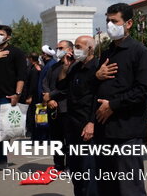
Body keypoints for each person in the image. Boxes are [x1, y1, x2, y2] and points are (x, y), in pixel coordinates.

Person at [94, 3, 147, 196]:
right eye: (107, 21)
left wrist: (113, 105)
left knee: (130, 188)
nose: (110, 25)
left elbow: (143, 90)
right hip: (104, 131)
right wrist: (97, 75)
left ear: (128, 23)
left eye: (114, 21)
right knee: (107, 186)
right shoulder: (107, 52)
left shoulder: (140, 52)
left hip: (127, 132)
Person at [56, 35, 98, 196]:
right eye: (75, 46)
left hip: (87, 127)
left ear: (90, 48)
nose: (75, 50)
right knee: (76, 170)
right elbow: (61, 86)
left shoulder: (97, 68)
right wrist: (65, 67)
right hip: (72, 126)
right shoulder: (75, 67)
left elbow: (98, 97)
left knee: (89, 171)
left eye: (79, 47)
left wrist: (91, 122)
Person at [0, 25, 27, 170]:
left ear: (8, 37)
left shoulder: (17, 53)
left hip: (6, 97)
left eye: (1, 34)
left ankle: (2, 159)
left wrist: (17, 94)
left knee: (5, 131)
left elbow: (21, 76)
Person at [43, 39, 74, 171]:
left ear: (70, 50)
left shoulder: (75, 67)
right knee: (56, 140)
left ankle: (71, 165)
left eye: (61, 48)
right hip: (53, 109)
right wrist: (49, 99)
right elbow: (45, 84)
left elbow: (67, 88)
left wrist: (52, 95)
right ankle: (58, 164)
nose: (58, 51)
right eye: (57, 48)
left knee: (69, 139)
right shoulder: (53, 67)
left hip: (67, 108)